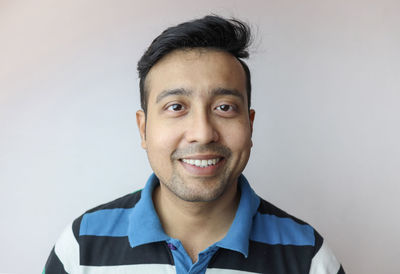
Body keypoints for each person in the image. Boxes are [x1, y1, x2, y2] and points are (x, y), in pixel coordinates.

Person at [44, 15, 345, 274]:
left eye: (224, 107)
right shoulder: (81, 247)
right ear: (143, 128)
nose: (202, 133)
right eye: (176, 107)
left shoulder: (310, 258)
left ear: (250, 124)